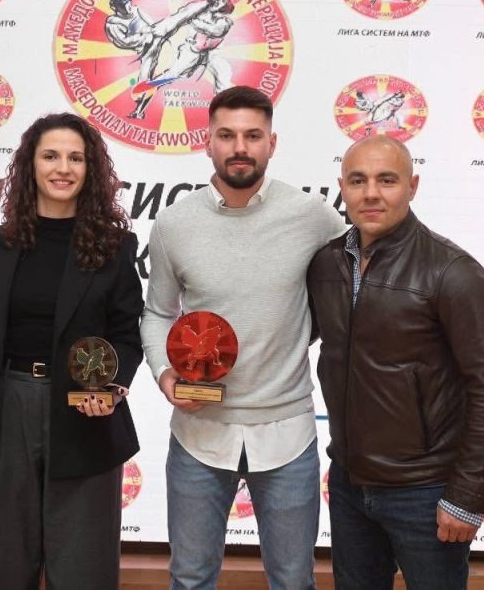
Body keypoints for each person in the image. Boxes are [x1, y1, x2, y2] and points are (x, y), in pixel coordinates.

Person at [141, 85, 346, 590]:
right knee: (190, 578)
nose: (240, 147)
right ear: (206, 142)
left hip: (287, 432)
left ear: (271, 143)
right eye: (227, 135)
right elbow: (158, 313)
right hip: (199, 432)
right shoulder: (173, 224)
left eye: (253, 136)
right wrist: (166, 377)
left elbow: (350, 290)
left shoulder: (314, 216)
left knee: (293, 581)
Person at [306, 135, 484, 590]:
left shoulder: (453, 273)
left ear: (412, 186)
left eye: (387, 180)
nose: (371, 193)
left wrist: (467, 496)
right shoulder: (325, 265)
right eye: (357, 181)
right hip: (348, 483)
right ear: (342, 187)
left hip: (426, 491)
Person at [0, 112, 143, 589]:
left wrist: (112, 387)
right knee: (1, 566)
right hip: (5, 411)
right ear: (30, 165)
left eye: (76, 158)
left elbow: (127, 333)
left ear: (90, 169)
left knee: (83, 570)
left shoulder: (115, 246)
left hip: (86, 412)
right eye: (51, 156)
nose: (63, 168)